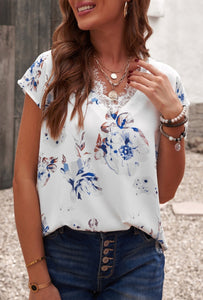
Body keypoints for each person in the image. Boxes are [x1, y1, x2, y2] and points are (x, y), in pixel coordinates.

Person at [13, 0, 189, 299]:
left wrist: (173, 115)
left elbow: (166, 191)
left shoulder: (164, 81)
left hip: (139, 262)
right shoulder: (49, 70)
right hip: (63, 259)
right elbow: (23, 178)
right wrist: (38, 280)